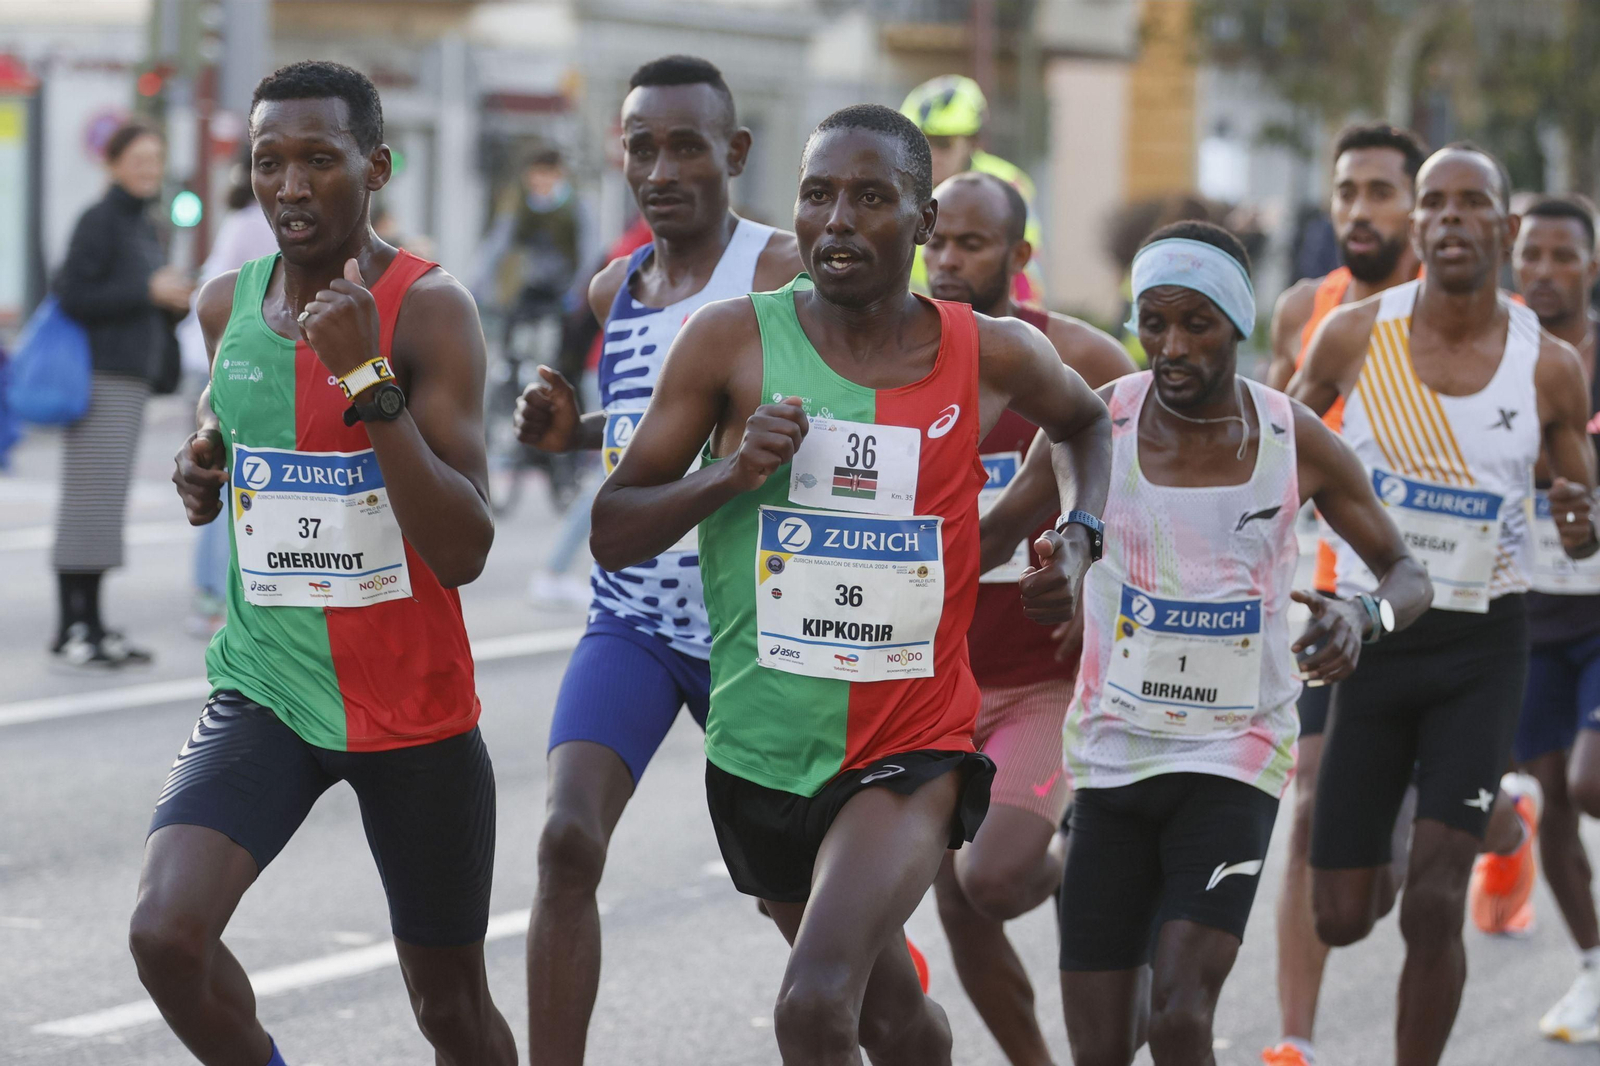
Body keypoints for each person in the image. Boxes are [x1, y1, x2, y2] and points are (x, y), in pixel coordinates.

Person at [589, 102, 1111, 1064]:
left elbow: (1086, 423)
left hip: (910, 744)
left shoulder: (989, 352)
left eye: (872, 198)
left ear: (920, 224)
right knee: (886, 1016)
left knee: (813, 1003)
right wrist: (732, 472)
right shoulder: (729, 343)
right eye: (819, 194)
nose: (838, 220)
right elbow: (612, 529)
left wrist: (1078, 535)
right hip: (761, 747)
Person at [132, 61, 513, 1066]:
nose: (290, 187)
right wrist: (203, 458)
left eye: (317, 161)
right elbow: (231, 410)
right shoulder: (227, 305)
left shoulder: (430, 311)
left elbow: (465, 545)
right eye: (269, 163)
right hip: (269, 684)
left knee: (452, 1011)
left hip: (415, 706)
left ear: (374, 167)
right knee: (166, 934)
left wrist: (367, 379)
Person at [982, 220, 1430, 1066]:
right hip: (1113, 758)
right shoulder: (1097, 425)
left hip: (1235, 755)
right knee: (1101, 1048)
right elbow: (993, 538)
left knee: (1183, 1013)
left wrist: (1364, 618)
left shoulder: (1293, 438)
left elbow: (1406, 571)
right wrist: (1040, 573)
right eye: (1154, 323)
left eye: (1197, 324)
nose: (1171, 346)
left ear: (1237, 325)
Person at [511, 55, 803, 1065]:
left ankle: (884, 997)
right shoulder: (613, 286)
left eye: (687, 145)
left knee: (793, 899)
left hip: (754, 629)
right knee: (564, 841)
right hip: (633, 616)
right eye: (643, 147)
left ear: (734, 152)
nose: (663, 167)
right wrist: (571, 432)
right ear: (619, 157)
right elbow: (653, 423)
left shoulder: (783, 269)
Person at [1294, 144, 1598, 1066]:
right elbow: (1273, 455)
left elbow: (1579, 529)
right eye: (1437, 204)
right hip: (1373, 633)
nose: (1454, 219)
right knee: (1342, 916)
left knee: (1433, 900)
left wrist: (1578, 518)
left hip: (1483, 644)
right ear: (1417, 225)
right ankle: (1439, 806)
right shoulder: (1353, 334)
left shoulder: (1548, 366)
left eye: (1476, 204)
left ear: (1503, 229)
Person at [921, 169, 1134, 1066]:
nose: (948, 259)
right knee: (960, 910)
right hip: (933, 685)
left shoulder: (1080, 357)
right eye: (939, 239)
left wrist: (1103, 591)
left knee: (996, 878)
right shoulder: (893, 351)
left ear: (1021, 256)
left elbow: (1147, 490)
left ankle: (1076, 857)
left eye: (972, 243)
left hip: (1045, 680)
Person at [1259, 122, 1427, 1066]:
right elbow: (1265, 447)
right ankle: (1295, 1041)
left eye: (1381, 192)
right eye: (1347, 191)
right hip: (1331, 603)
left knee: (1435, 835)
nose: (1360, 211)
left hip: (1443, 606)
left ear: (1420, 206)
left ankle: (1494, 813)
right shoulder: (1303, 310)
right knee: (1313, 807)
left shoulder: (1458, 315)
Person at [1503, 194, 1600, 1042]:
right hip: (1529, 614)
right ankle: (1595, 968)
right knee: (1552, 799)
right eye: (1530, 254)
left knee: (1588, 779)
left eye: (1563, 256)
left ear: (1591, 268)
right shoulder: (1491, 360)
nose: (1543, 271)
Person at [51, 121, 194, 668]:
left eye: (155, 159)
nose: (148, 169)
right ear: (112, 164)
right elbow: (70, 291)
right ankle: (70, 628)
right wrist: (147, 290)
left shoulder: (148, 225)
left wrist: (172, 300)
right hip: (98, 379)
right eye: (138, 159)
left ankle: (94, 623)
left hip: (130, 379)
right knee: (87, 505)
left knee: (105, 508)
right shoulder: (100, 220)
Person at [179, 157, 279, 637]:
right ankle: (211, 594)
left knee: (227, 475)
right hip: (231, 365)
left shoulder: (242, 223)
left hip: (230, 361)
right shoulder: (256, 227)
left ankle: (216, 592)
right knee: (223, 472)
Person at [900, 74, 1044, 304]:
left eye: (943, 143)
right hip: (912, 322)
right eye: (922, 142)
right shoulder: (897, 184)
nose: (931, 155)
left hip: (983, 322)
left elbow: (1024, 276)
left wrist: (1023, 333)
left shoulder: (1007, 186)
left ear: (972, 141)